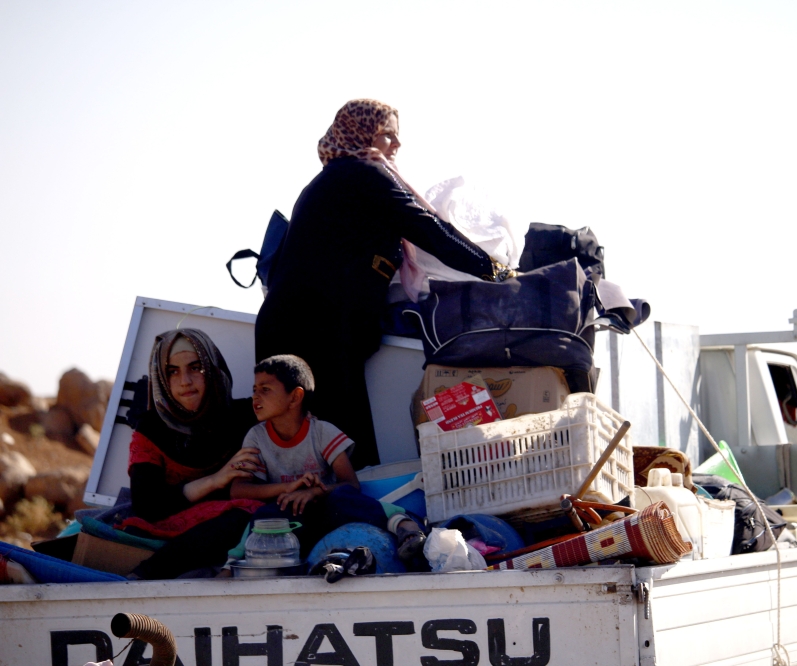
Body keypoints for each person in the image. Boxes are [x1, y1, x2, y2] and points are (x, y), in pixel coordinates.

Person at [255, 98, 509, 471]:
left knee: (315, 446)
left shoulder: (339, 178)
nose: (397, 145)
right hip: (313, 331)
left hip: (306, 327)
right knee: (344, 445)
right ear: (363, 134)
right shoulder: (362, 173)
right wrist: (496, 272)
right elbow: (428, 228)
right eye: (389, 134)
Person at [232, 354, 426, 561]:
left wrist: (315, 492)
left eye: (265, 389)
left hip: (328, 511)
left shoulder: (322, 432)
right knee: (264, 516)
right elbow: (238, 489)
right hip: (292, 519)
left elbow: (350, 483)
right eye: (255, 390)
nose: (255, 397)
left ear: (295, 397)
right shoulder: (256, 437)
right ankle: (230, 565)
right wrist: (287, 489)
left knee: (342, 498)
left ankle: (405, 524)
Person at [120, 329, 264, 579]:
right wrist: (214, 480)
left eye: (196, 367)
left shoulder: (247, 417)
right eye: (172, 372)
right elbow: (147, 506)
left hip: (230, 527)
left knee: (253, 514)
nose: (185, 380)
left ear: (213, 368)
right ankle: (143, 577)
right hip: (166, 525)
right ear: (160, 378)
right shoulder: (152, 428)